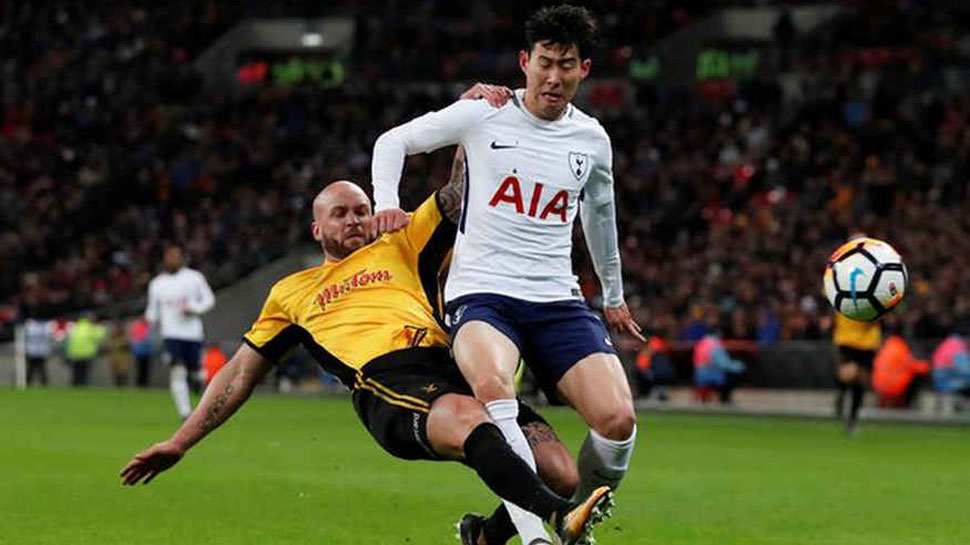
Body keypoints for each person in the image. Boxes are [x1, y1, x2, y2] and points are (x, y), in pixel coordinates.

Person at [120, 175, 612, 545]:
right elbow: (240, 372)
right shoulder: (291, 293)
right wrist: (181, 441)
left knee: (557, 466)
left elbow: (459, 190)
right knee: (472, 423)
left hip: (455, 365)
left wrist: (480, 116)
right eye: (340, 213)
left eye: (361, 209)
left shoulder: (402, 245)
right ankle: (557, 517)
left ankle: (483, 535)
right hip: (387, 384)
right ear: (317, 228)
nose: (354, 218)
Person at [371, 7, 640, 541]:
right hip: (483, 296)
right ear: (525, 62)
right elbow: (391, 142)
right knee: (494, 391)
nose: (554, 77)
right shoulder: (483, 113)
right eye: (544, 62)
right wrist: (386, 203)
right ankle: (540, 538)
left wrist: (613, 296)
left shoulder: (591, 139)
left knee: (618, 424)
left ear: (585, 68)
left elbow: (601, 218)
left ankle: (504, 533)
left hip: (557, 300)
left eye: (567, 65)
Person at [145, 243, 216, 419]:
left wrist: (194, 309)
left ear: (182, 259)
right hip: (170, 334)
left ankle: (197, 382)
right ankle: (185, 413)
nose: (172, 260)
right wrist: (149, 321)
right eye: (169, 256)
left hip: (192, 333)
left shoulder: (194, 278)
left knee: (197, 373)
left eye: (175, 256)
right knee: (177, 370)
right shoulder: (157, 283)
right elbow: (152, 310)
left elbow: (209, 300)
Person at [832, 309, 882, 435]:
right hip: (847, 337)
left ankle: (852, 419)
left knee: (861, 382)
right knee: (848, 374)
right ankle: (841, 393)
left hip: (868, 341)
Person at [871, 331, 928, 408]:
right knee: (918, 376)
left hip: (879, 387)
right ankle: (907, 405)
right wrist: (927, 366)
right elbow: (915, 367)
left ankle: (884, 404)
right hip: (895, 388)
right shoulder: (901, 348)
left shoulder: (885, 349)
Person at [692, 332, 745, 404]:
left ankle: (719, 397)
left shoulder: (701, 344)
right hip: (711, 376)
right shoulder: (715, 345)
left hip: (698, 376)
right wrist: (739, 366)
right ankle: (725, 398)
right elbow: (723, 364)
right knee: (734, 375)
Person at [931, 333, 970, 415]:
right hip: (949, 382)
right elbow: (965, 370)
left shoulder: (948, 343)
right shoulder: (958, 347)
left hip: (939, 380)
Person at [64, 313, 106, 386]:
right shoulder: (90, 327)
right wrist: (99, 326)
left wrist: (67, 354)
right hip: (87, 354)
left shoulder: (75, 327)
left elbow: (68, 340)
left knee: (76, 372)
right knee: (85, 373)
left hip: (75, 353)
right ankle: (83, 387)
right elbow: (99, 336)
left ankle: (75, 387)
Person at [23, 314, 54, 386]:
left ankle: (32, 383)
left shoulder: (31, 326)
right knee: (36, 369)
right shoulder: (46, 327)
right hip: (38, 351)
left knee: (36, 369)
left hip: (34, 351)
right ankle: (34, 383)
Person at [107, 319, 134, 387]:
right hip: (115, 357)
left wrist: (120, 345)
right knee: (116, 374)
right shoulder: (112, 335)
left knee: (123, 373)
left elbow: (127, 344)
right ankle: (118, 386)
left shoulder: (125, 335)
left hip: (123, 357)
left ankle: (123, 386)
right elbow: (110, 345)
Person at [128, 317, 154, 387]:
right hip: (139, 351)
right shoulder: (137, 325)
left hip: (147, 351)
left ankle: (144, 384)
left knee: (146, 369)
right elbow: (136, 337)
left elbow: (151, 338)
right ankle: (139, 384)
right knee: (139, 369)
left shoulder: (149, 326)